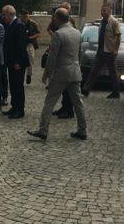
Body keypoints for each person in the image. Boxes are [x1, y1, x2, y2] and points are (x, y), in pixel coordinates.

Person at [28, 8, 87, 141]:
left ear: (57, 19)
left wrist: (46, 74)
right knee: (78, 103)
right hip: (75, 71)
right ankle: (82, 130)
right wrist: (79, 68)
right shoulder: (77, 33)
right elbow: (80, 54)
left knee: (49, 102)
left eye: (54, 18)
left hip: (61, 73)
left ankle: (43, 130)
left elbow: (52, 57)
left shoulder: (59, 34)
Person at [82, 3, 121, 99]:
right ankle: (86, 90)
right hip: (100, 50)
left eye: (104, 10)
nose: (102, 12)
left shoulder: (114, 22)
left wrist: (115, 50)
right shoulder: (102, 22)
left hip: (109, 51)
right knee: (94, 70)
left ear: (110, 11)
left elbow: (118, 36)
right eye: (102, 10)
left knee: (113, 72)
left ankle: (116, 92)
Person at [0, 5, 30, 119]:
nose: (3, 17)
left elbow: (20, 45)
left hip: (18, 62)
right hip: (11, 61)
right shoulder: (11, 24)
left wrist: (18, 61)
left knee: (18, 86)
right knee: (13, 85)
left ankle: (20, 109)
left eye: (4, 14)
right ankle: (14, 106)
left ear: (10, 14)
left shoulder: (19, 25)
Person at [49, 2, 76, 119]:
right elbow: (49, 28)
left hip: (67, 61)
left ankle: (69, 110)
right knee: (64, 90)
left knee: (69, 90)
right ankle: (64, 108)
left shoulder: (71, 22)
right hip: (60, 56)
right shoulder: (57, 22)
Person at [20, 10, 40, 85]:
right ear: (21, 16)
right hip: (21, 44)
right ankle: (21, 76)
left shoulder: (33, 23)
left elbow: (38, 33)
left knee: (30, 60)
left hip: (30, 44)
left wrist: (31, 37)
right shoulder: (18, 23)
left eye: (27, 17)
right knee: (21, 61)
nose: (26, 18)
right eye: (24, 17)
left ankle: (29, 75)